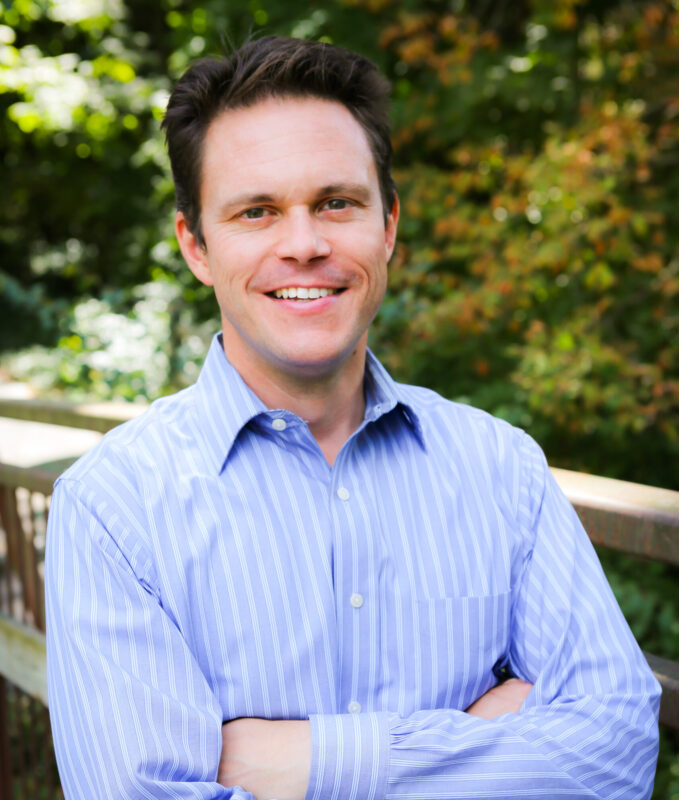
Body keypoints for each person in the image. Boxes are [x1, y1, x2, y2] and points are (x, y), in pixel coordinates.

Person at [45, 36, 660, 800]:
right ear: (196, 246)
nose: (303, 245)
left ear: (388, 226)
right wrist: (484, 734)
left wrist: (301, 762)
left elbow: (617, 750)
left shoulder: (500, 469)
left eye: (336, 203)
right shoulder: (113, 508)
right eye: (256, 212)